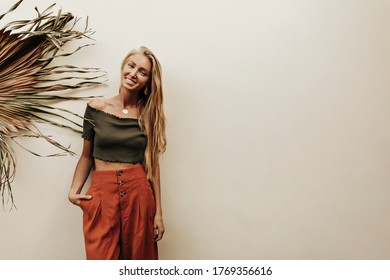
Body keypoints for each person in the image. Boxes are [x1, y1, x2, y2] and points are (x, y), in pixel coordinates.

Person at [68, 46, 166, 260]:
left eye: (143, 72)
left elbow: (153, 166)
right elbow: (86, 156)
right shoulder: (96, 107)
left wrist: (158, 213)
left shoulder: (149, 116)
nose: (133, 74)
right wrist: (73, 191)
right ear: (123, 67)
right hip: (102, 192)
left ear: (148, 82)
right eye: (131, 66)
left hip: (138, 193)